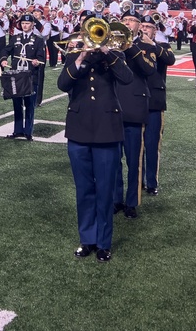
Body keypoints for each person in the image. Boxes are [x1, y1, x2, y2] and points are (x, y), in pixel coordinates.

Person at [58, 32, 133, 262]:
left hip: (107, 131)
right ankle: (87, 239)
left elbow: (126, 78)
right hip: (79, 130)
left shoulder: (114, 55)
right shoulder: (75, 55)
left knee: (105, 190)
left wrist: (105, 52)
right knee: (83, 189)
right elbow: (63, 84)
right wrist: (80, 57)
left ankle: (104, 243)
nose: (92, 39)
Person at [114, 11, 153, 219]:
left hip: (135, 107)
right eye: (125, 20)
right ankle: (115, 199)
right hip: (112, 105)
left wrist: (132, 47)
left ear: (139, 26)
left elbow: (149, 70)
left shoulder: (146, 45)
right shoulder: (111, 42)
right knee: (113, 159)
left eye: (132, 21)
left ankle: (131, 202)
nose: (128, 23)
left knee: (134, 160)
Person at [141, 15, 175, 195]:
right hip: (134, 101)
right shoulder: (132, 46)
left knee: (153, 145)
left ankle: (151, 182)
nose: (145, 29)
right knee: (135, 146)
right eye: (143, 26)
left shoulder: (163, 46)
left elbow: (170, 60)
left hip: (155, 101)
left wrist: (152, 45)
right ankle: (138, 180)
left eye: (149, 26)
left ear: (155, 30)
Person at [0, 13, 45, 140]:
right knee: (17, 104)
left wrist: (37, 61)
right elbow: (5, 50)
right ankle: (18, 130)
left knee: (30, 105)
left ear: (32, 25)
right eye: (23, 24)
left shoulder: (38, 40)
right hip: (16, 76)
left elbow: (41, 58)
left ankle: (28, 132)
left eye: (27, 23)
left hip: (30, 77)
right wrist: (3, 60)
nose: (25, 25)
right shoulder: (15, 38)